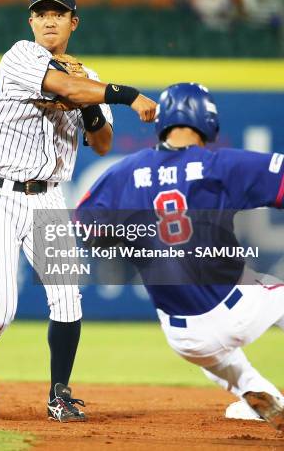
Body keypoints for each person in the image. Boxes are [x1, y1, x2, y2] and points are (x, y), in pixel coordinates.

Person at [0, 0, 157, 422]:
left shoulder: (87, 75)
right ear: (30, 21)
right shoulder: (20, 56)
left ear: (72, 22)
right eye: (41, 12)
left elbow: (101, 143)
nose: (48, 19)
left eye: (58, 13)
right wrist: (124, 93)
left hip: (49, 197)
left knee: (68, 300)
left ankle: (59, 394)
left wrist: (90, 104)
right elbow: (64, 86)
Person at [78, 82, 284, 431]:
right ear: (208, 121)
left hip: (184, 338)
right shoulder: (219, 164)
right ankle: (253, 390)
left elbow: (84, 227)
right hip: (238, 307)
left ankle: (255, 391)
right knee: (268, 291)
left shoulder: (126, 172)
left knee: (214, 353)